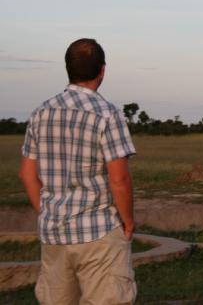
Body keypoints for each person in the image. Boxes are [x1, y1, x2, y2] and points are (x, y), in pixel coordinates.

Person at [19, 38, 137, 304]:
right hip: (99, 233)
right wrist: (128, 222)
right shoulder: (107, 114)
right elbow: (119, 179)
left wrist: (48, 211)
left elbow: (27, 174)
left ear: (68, 69)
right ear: (102, 70)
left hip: (54, 234)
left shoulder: (41, 113)